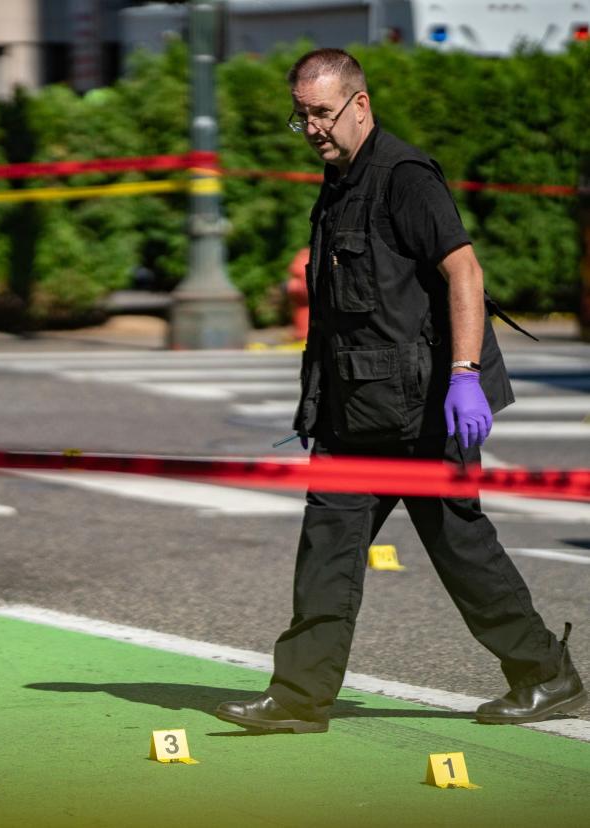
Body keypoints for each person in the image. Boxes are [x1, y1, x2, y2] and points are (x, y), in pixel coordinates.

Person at [216, 49, 584, 733]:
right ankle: (299, 698)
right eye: (302, 118)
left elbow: (464, 273)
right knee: (326, 549)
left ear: (359, 104)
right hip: (355, 411)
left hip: (422, 412)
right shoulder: (340, 178)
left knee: (461, 549)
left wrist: (466, 378)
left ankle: (547, 676)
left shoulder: (403, 176)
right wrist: (315, 402)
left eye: (322, 114)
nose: (313, 129)